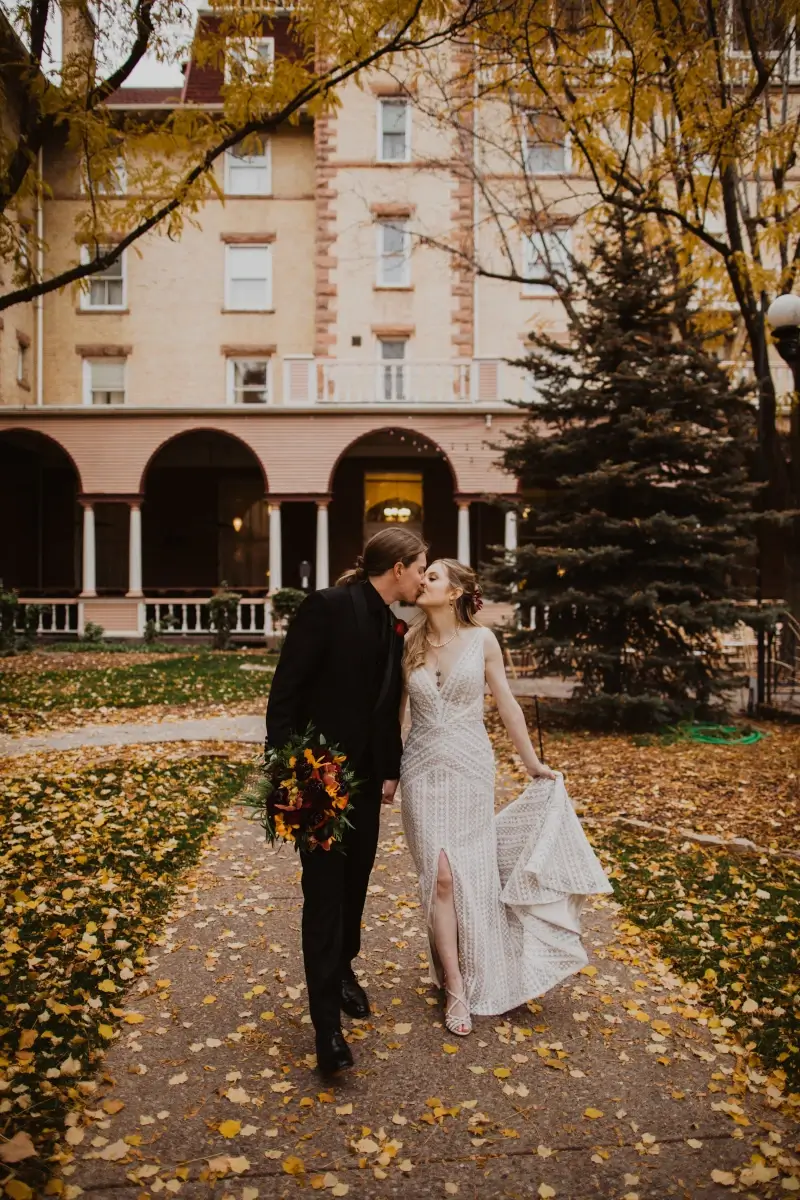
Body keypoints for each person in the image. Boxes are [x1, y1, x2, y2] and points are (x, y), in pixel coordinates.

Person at [400, 559, 612, 1036]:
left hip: (470, 770)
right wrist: (388, 773)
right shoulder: (408, 642)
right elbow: (398, 716)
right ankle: (454, 982)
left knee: (461, 876)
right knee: (438, 877)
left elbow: (508, 704)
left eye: (432, 576)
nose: (422, 581)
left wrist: (531, 763)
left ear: (454, 592)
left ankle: (465, 972)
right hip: (420, 770)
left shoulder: (482, 641)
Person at [266, 528, 427, 1073]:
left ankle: (344, 970)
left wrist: (388, 770)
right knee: (324, 893)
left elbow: (384, 708)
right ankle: (326, 1029)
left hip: (364, 781)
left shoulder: (392, 624)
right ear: (399, 567)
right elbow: (285, 691)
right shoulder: (328, 607)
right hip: (317, 776)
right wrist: (289, 771)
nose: (425, 576)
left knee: (356, 880)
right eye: (422, 566)